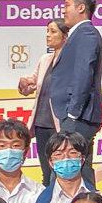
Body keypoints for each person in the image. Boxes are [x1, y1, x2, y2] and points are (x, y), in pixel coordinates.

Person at [47, 0, 102, 188]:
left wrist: (72, 114)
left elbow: (83, 75)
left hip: (79, 116)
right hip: (75, 116)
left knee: (68, 165)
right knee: (77, 167)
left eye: (66, 6)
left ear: (81, 8)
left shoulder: (86, 33)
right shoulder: (77, 34)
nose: (63, 11)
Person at [18, 17, 70, 186]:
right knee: (46, 174)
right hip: (41, 124)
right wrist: (23, 83)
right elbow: (29, 88)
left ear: (65, 36)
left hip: (59, 126)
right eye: (47, 31)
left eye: (53, 31)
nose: (48, 35)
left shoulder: (72, 61)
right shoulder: (45, 59)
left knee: (61, 173)